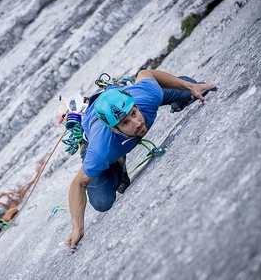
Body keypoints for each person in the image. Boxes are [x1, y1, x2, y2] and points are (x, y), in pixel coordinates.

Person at [65, 69, 218, 252]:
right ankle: (117, 162)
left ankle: (181, 92)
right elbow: (78, 184)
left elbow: (146, 73)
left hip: (120, 96)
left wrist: (191, 87)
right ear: (114, 130)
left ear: (135, 106)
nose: (137, 123)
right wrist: (77, 227)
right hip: (94, 126)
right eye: (125, 123)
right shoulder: (100, 150)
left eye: (134, 114)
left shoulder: (146, 97)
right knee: (102, 202)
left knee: (191, 88)